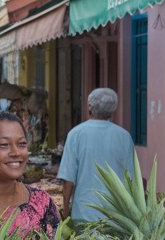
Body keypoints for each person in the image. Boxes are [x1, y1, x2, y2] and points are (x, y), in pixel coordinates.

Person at [58, 87, 137, 224]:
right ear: (113, 110)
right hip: (116, 215)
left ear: (89, 107)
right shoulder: (124, 137)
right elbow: (131, 179)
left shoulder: (76, 134)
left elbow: (68, 178)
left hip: (84, 213)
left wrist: (65, 210)